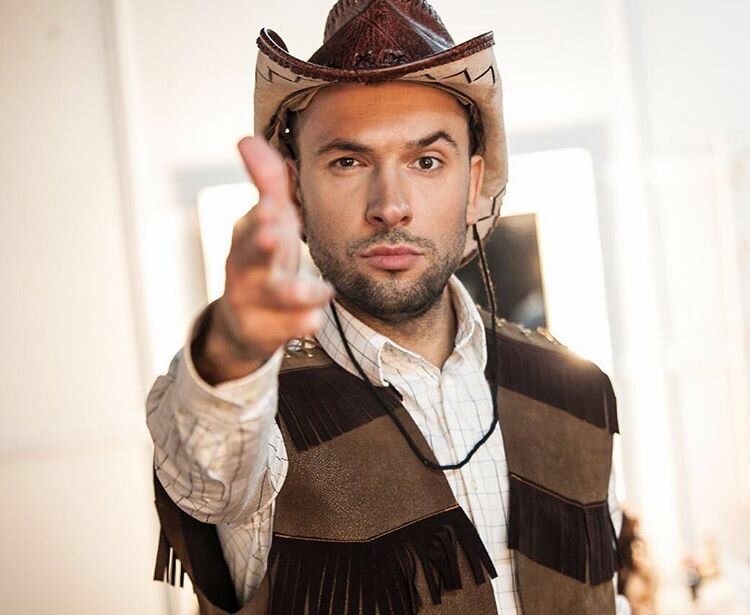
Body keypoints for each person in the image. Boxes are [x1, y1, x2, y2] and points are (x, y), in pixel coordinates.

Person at [147, 1, 626, 613]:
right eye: (347, 161)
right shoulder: (255, 413)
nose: (390, 206)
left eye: (426, 161)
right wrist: (234, 349)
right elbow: (204, 477)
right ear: (295, 188)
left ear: (472, 182)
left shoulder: (577, 390)